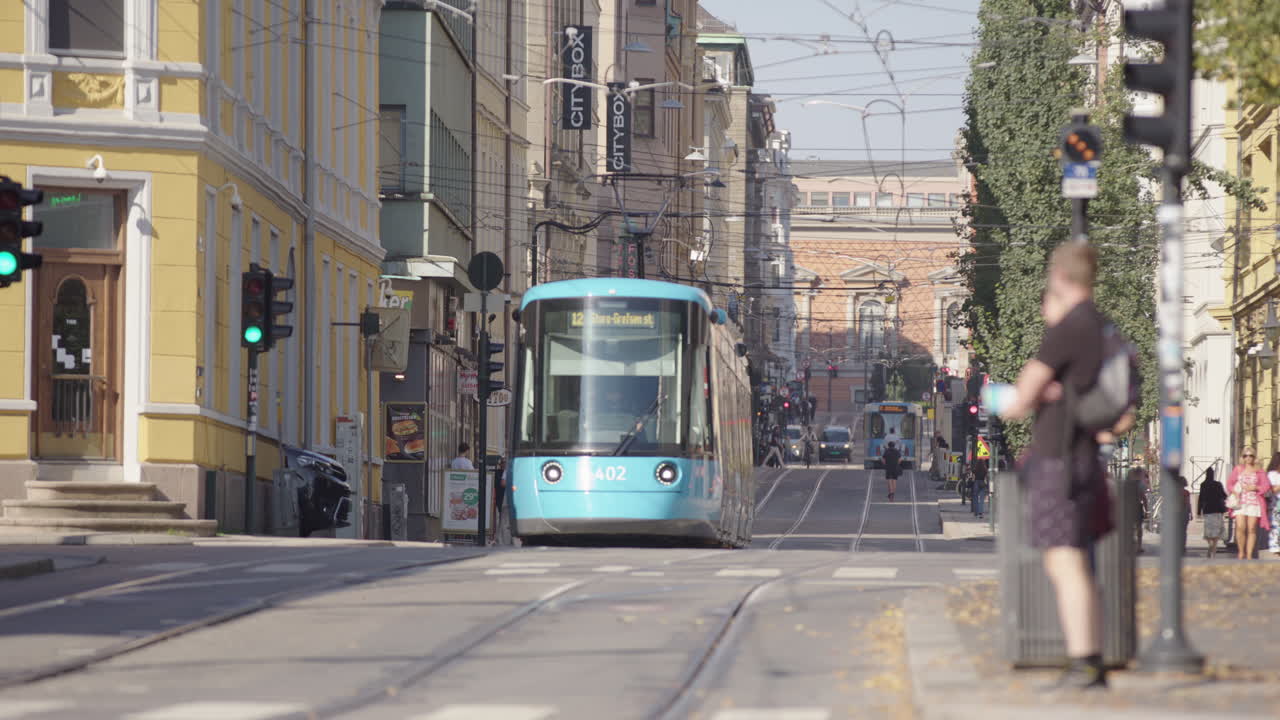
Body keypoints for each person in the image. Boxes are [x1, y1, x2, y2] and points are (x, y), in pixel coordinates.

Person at [981, 242, 1117, 689]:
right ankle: (1090, 659)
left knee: (1065, 564)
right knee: (1081, 562)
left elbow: (1019, 399)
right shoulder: (1103, 327)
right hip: (1085, 459)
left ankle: (1085, 662)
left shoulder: (1067, 329)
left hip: (1057, 460)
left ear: (1060, 276)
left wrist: (1003, 397)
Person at [1227, 447, 1272, 560]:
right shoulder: (1238, 469)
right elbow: (1230, 483)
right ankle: (1241, 552)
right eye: (1245, 455)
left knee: (1251, 529)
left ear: (1254, 457)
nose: (1248, 458)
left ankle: (1249, 554)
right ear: (1242, 457)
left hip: (1254, 502)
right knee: (1240, 527)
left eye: (1250, 455)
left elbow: (1266, 486)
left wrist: (1256, 487)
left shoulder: (1259, 471)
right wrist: (1235, 492)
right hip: (1240, 502)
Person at [1197, 465, 1228, 559]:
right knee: (1216, 534)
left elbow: (1201, 498)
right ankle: (1213, 552)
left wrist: (1199, 510)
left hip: (1208, 510)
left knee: (1209, 533)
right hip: (1218, 510)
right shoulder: (1218, 484)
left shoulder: (1203, 484)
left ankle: (1211, 547)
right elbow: (1224, 495)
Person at [1267, 455, 1280, 556]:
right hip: (1276, 505)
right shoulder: (1272, 474)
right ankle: (1276, 548)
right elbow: (1271, 490)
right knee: (1276, 527)